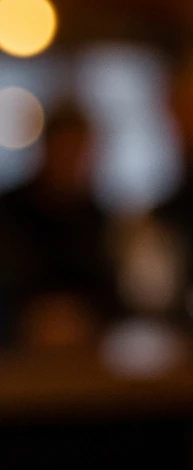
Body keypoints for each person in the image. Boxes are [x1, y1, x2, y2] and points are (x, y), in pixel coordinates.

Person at [0, 105, 117, 349]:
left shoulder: (97, 218)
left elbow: (113, 293)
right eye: (64, 147)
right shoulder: (10, 212)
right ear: (46, 147)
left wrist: (82, 318)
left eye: (79, 150)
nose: (70, 158)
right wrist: (32, 318)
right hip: (14, 351)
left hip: (84, 352)